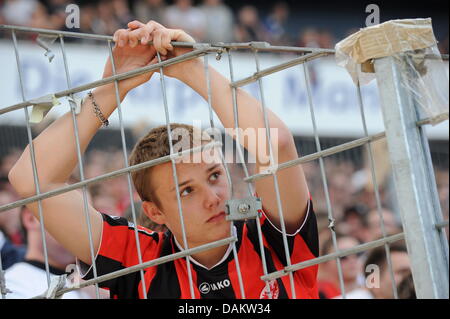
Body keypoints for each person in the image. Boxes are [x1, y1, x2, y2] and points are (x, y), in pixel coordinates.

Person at [8, 20, 318, 299]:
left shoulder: (273, 239)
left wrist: (191, 68)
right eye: (187, 191)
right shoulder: (138, 260)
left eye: (214, 176)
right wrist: (111, 89)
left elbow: (274, 144)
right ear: (155, 212)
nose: (213, 199)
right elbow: (31, 179)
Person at [4, 207, 91, 298]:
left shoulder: (93, 284)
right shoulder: (11, 286)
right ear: (32, 218)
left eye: (88, 217)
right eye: (72, 215)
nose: (82, 225)